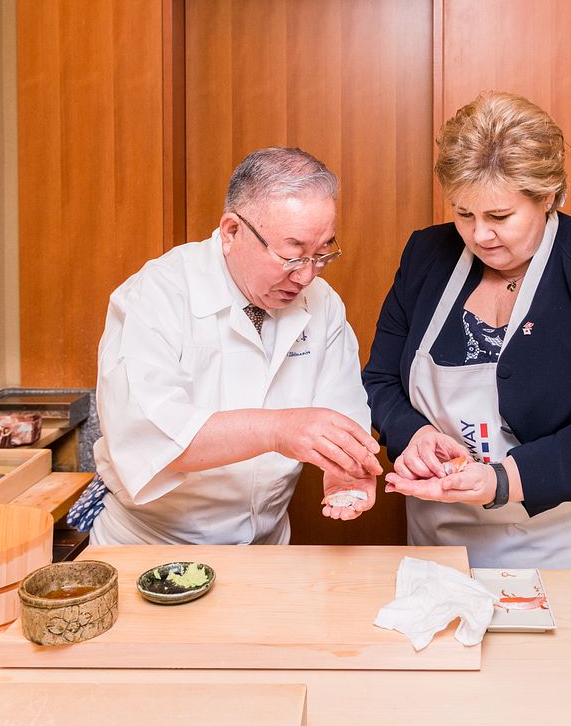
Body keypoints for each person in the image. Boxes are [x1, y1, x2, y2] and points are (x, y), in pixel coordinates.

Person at [363, 92, 571, 569]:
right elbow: (381, 380)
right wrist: (415, 434)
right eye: (463, 213)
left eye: (500, 217)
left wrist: (503, 480)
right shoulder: (426, 257)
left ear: (547, 196)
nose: (479, 235)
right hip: (451, 531)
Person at [81, 147, 381, 546]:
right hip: (152, 543)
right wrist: (279, 430)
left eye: (322, 253)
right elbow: (153, 435)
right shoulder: (156, 295)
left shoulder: (322, 302)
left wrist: (345, 467)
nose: (307, 275)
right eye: (292, 255)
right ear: (231, 232)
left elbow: (339, 411)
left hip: (265, 544)